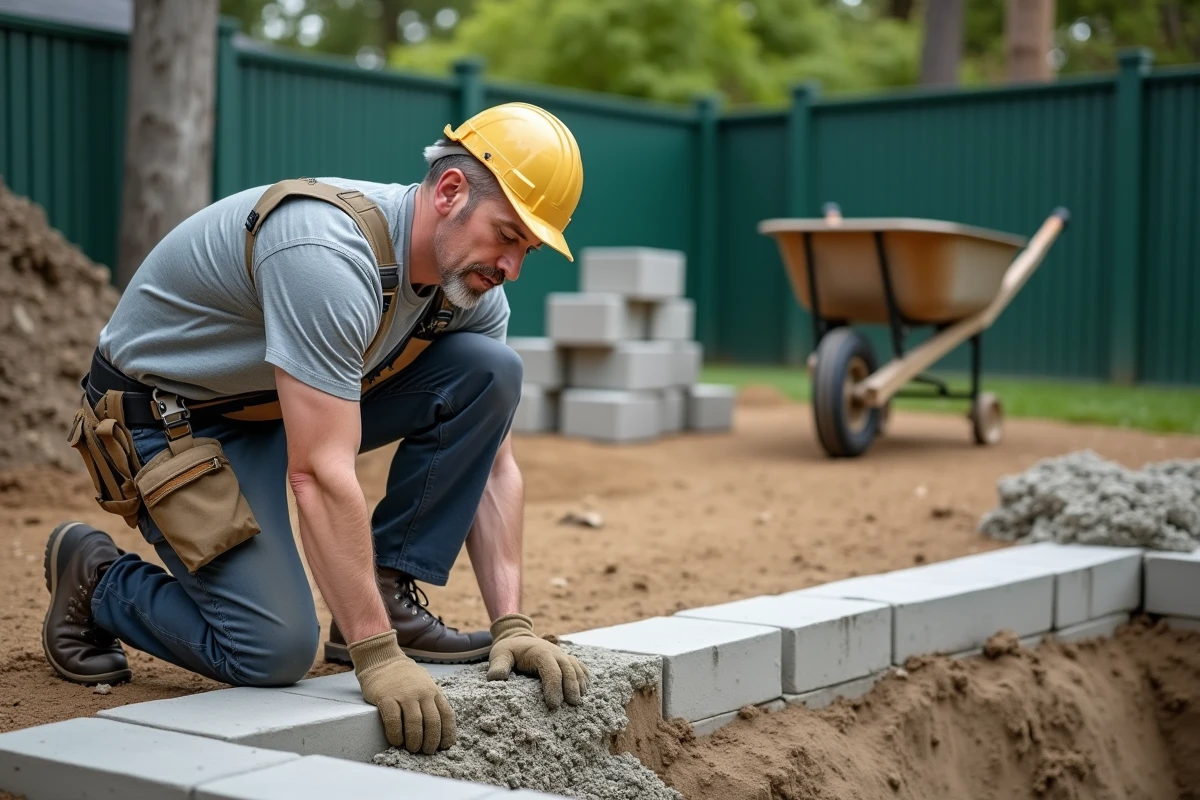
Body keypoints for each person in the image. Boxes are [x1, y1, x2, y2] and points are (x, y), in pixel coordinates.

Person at [43, 102, 590, 755]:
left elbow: (494, 464)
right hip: (169, 418)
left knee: (489, 371)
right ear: (449, 193)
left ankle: (384, 596)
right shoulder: (327, 253)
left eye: (527, 249)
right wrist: (375, 655)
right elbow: (319, 473)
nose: (511, 267)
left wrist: (513, 624)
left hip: (277, 401)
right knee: (271, 650)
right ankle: (96, 578)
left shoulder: (468, 290)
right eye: (507, 235)